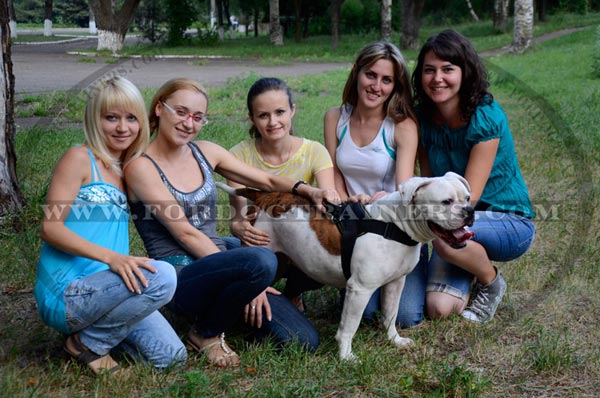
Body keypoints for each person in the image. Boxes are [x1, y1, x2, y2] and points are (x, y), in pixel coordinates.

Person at [125, 78, 339, 367]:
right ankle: (205, 333)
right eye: (181, 112)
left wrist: (306, 189)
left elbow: (265, 179)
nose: (189, 123)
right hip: (180, 276)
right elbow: (186, 233)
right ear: (160, 109)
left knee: (302, 339)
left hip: (221, 258)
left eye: (198, 117)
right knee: (261, 261)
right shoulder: (141, 166)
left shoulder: (205, 151)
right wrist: (253, 282)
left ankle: (235, 306)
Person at [34, 76, 186, 376]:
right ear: (94, 119)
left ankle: (96, 334)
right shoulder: (79, 159)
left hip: (112, 292)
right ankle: (88, 343)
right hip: (69, 292)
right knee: (163, 276)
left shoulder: (128, 170)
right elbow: (50, 228)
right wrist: (112, 258)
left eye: (131, 118)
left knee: (172, 357)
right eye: (111, 118)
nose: (122, 127)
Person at [412, 29, 536, 323]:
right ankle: (468, 256)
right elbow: (429, 183)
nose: (437, 78)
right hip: (455, 223)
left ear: (465, 73)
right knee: (439, 309)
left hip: (508, 221)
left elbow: (471, 197)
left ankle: (491, 282)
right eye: (429, 70)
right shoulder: (423, 121)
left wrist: (431, 225)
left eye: (447, 69)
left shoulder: (485, 117)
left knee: (442, 240)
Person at [323, 40, 428, 328]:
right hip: (351, 221)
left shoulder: (402, 126)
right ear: (357, 73)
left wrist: (379, 200)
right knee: (366, 313)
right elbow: (331, 169)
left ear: (396, 86)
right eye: (371, 75)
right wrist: (345, 201)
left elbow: (404, 190)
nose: (376, 86)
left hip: (392, 223)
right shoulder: (335, 117)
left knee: (406, 317)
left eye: (387, 80)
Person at [227, 76, 333, 345]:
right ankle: (254, 296)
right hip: (263, 243)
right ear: (252, 118)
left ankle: (294, 291)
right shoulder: (238, 155)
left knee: (325, 249)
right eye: (263, 115)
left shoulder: (314, 151)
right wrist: (239, 226)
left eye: (280, 112)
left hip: (301, 241)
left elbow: (329, 200)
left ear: (293, 111)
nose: (273, 122)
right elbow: (238, 217)